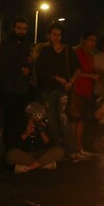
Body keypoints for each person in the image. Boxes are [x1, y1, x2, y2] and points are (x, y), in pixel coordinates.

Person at [34, 22, 80, 157]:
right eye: (54, 34)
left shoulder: (67, 50)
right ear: (49, 35)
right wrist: (56, 77)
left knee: (64, 120)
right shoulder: (45, 51)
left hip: (63, 90)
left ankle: (71, 151)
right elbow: (40, 71)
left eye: (59, 35)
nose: (56, 37)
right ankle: (56, 151)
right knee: (52, 122)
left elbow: (77, 68)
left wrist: (70, 82)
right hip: (48, 90)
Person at [0, 16, 33, 148]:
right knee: (11, 118)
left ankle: (18, 145)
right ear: (13, 28)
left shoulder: (25, 43)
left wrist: (27, 68)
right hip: (8, 88)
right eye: (19, 28)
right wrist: (22, 67)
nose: (21, 31)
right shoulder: (6, 43)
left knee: (21, 118)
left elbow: (28, 61)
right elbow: (5, 63)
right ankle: (9, 147)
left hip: (22, 88)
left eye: (24, 29)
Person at [4, 102, 65, 173]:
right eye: (35, 117)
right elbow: (11, 145)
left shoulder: (43, 125)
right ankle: (42, 165)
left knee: (59, 150)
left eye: (40, 117)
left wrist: (43, 133)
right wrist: (26, 133)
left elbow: (51, 145)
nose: (37, 119)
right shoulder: (19, 124)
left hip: (40, 154)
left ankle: (29, 167)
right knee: (10, 155)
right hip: (25, 154)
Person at [72, 30, 99, 157]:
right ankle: (76, 148)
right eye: (90, 40)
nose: (93, 43)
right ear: (84, 40)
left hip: (87, 91)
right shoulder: (78, 53)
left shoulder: (91, 55)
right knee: (76, 120)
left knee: (81, 120)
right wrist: (91, 76)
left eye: (94, 41)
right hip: (79, 90)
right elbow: (75, 72)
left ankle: (79, 147)